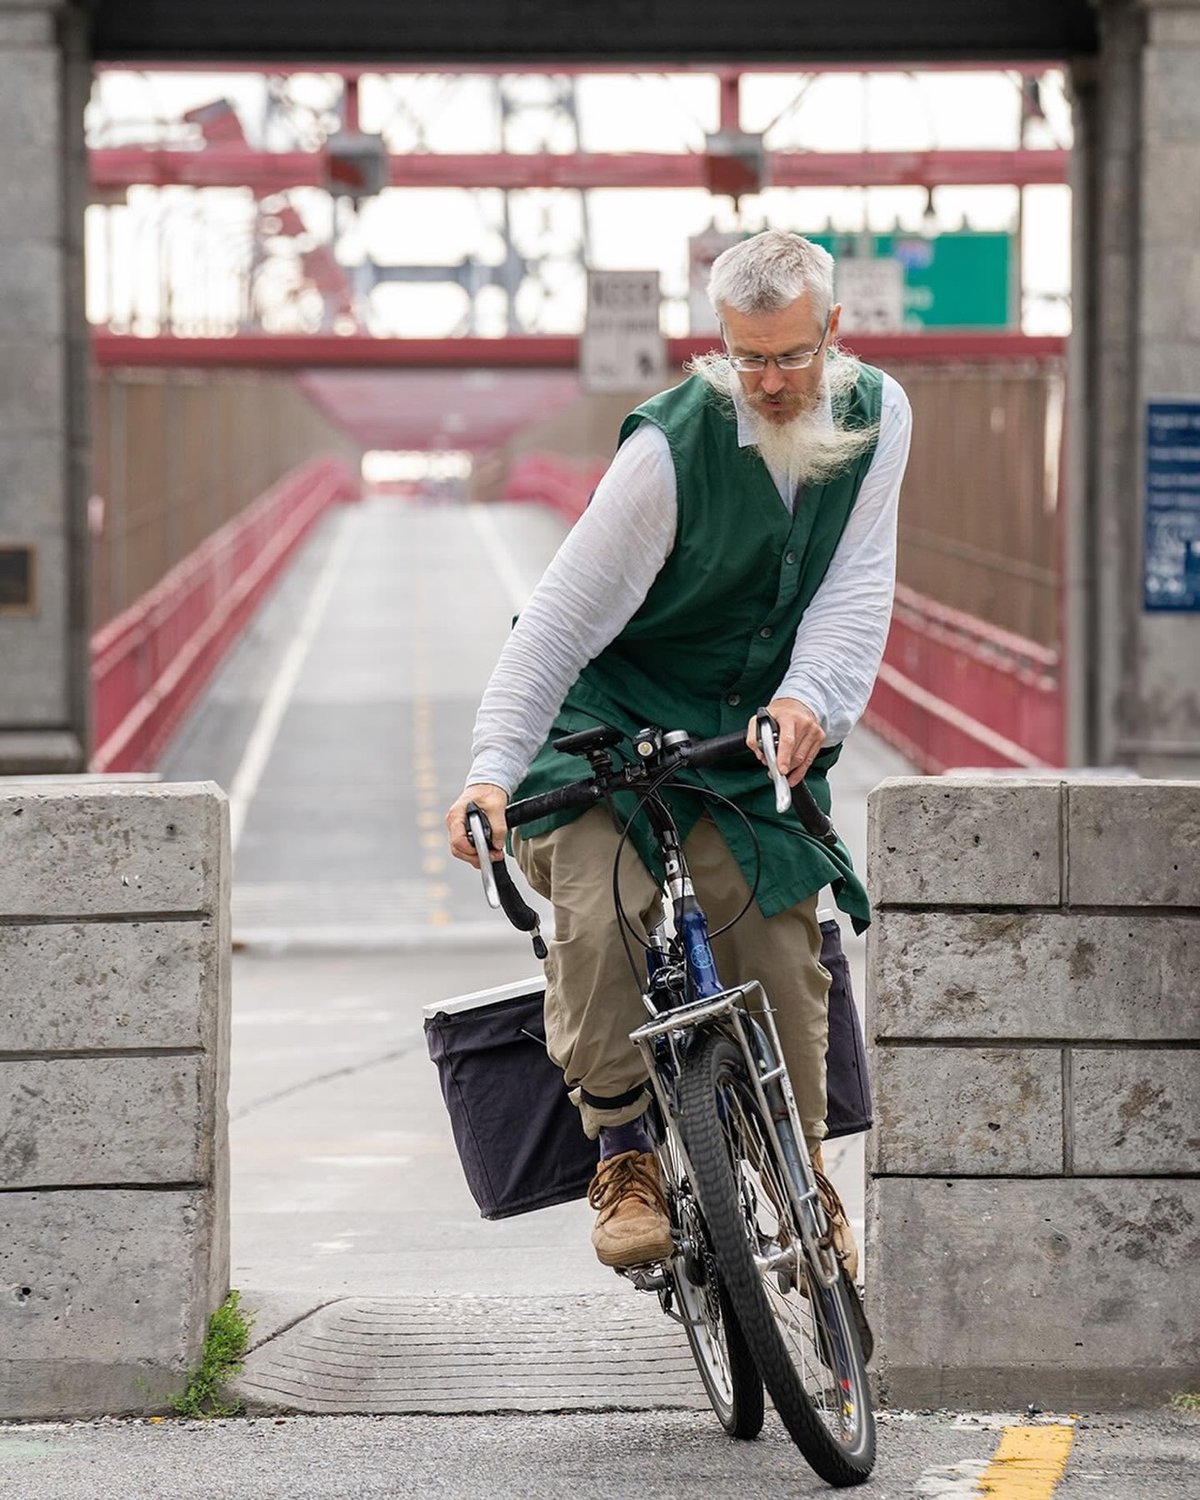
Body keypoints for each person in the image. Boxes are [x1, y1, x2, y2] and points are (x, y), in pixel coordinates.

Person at [446, 229, 912, 1272]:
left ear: (833, 332)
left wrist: (807, 701)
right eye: (748, 357)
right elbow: (556, 626)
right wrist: (490, 770)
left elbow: (855, 585)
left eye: (792, 355)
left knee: (773, 919)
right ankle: (623, 1150)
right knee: (601, 895)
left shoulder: (880, 417)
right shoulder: (668, 453)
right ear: (720, 344)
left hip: (742, 729)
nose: (770, 381)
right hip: (604, 724)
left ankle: (803, 1174)